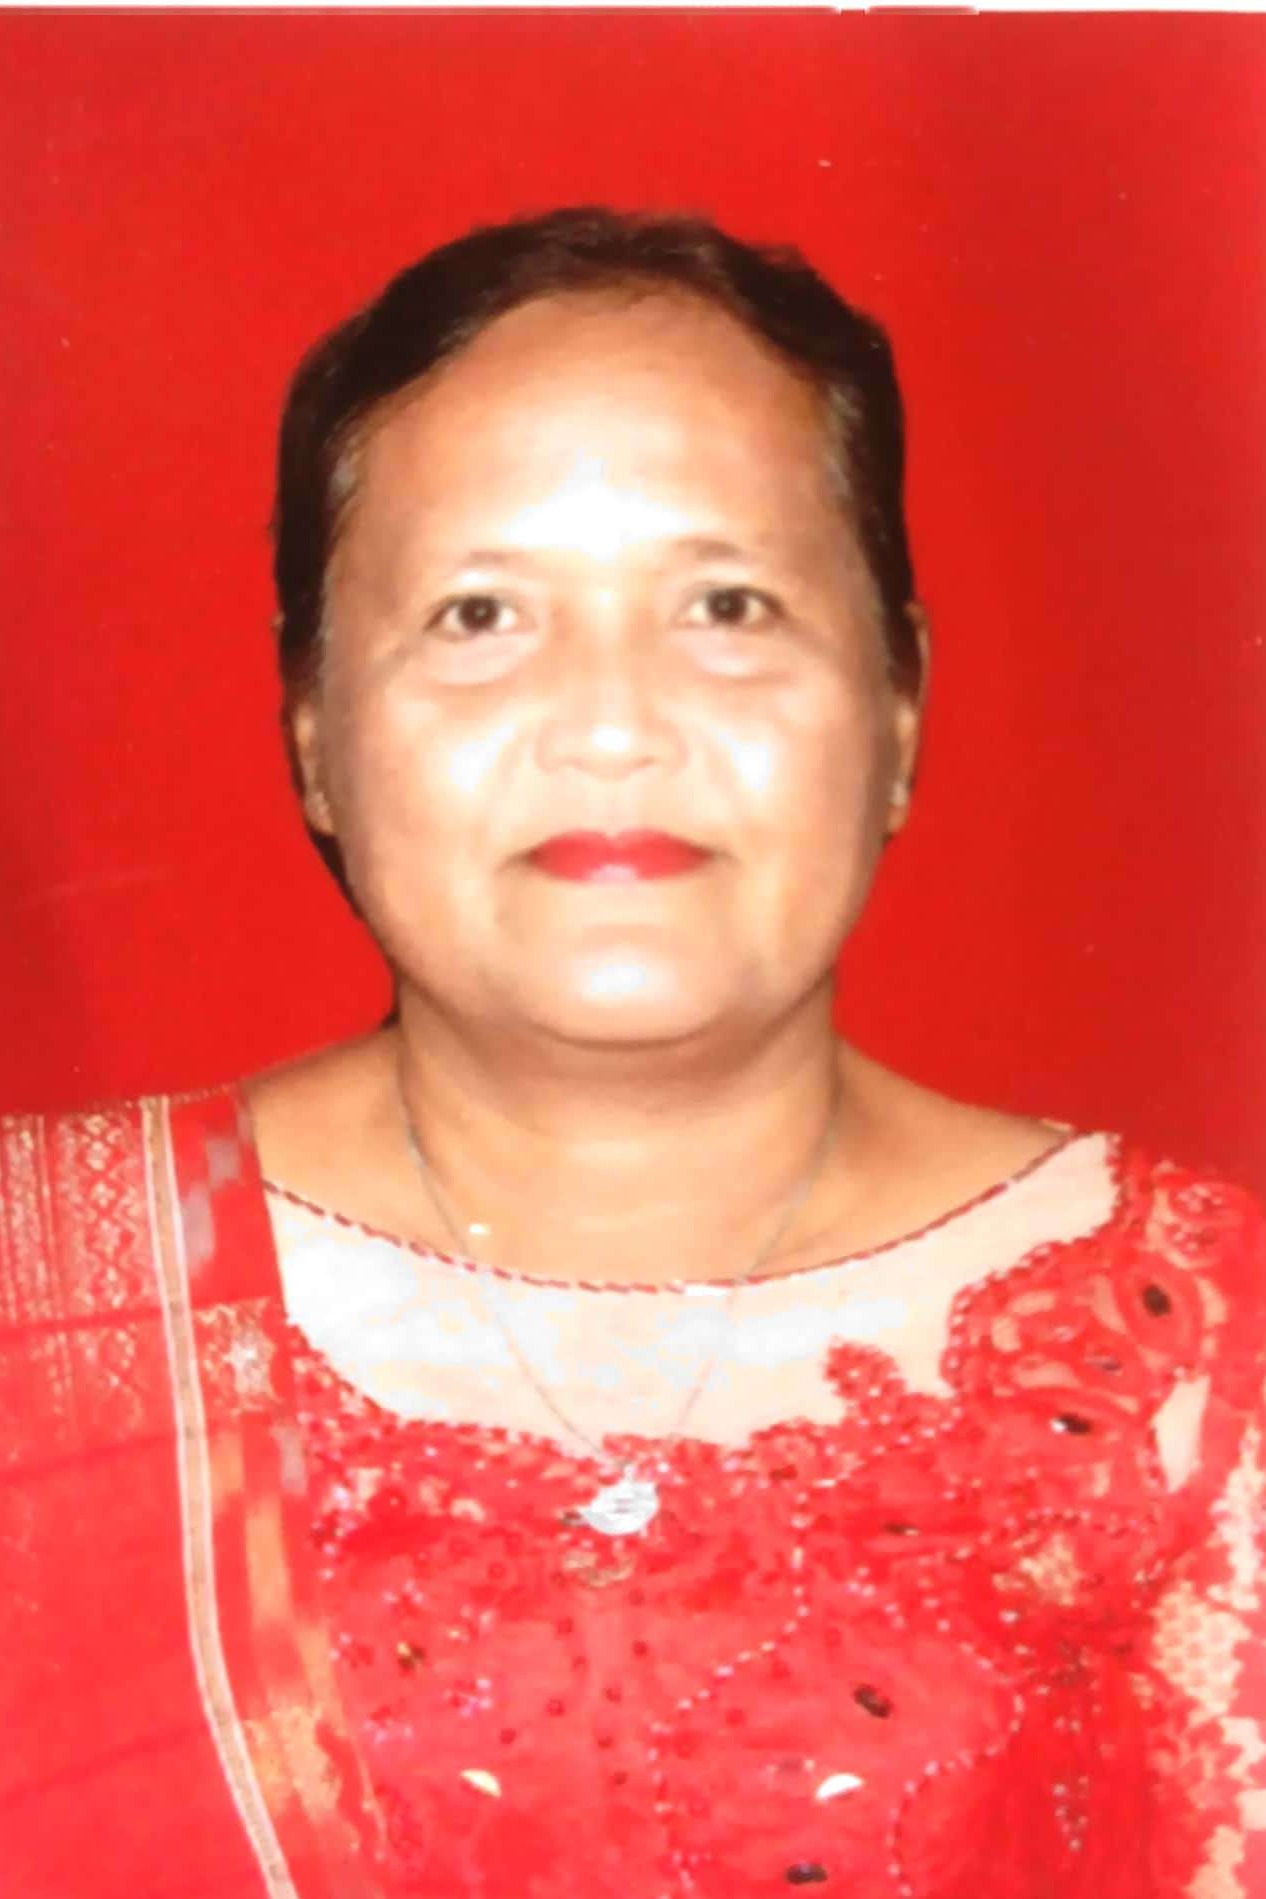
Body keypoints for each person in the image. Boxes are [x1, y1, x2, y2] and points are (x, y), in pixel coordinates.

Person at [2, 207, 1263, 1899]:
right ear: (314, 737)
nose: (610, 726)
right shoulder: (43, 1299)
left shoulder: (1195, 1348)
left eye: (726, 605)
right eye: (477, 616)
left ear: (897, 707)